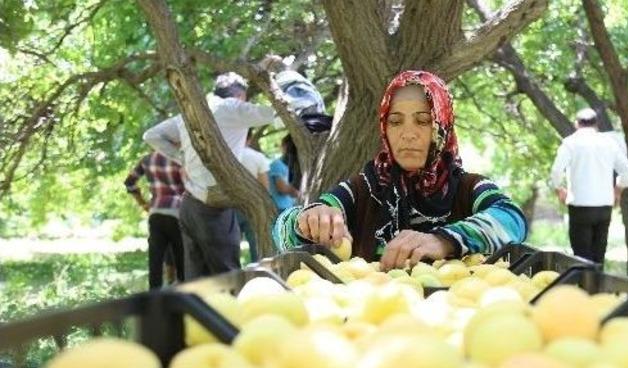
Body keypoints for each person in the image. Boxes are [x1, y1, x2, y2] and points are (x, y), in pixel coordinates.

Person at [273, 70, 527, 270]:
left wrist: (444, 240)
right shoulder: (363, 189)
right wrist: (306, 220)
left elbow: (512, 220)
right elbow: (282, 232)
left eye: (423, 121)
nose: (407, 134)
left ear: (442, 126)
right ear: (385, 129)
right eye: (395, 122)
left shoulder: (467, 188)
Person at [143, 72, 279, 279]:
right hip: (213, 207)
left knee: (197, 277)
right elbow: (277, 114)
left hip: (189, 204)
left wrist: (182, 158)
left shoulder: (191, 113)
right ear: (239, 95)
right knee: (226, 276)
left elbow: (151, 136)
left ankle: (198, 311)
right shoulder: (233, 107)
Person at [550, 107, 628, 264]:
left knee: (582, 258)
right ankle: (597, 287)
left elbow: (556, 171)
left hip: (580, 206)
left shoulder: (570, 143)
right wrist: (618, 191)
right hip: (604, 206)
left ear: (577, 124)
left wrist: (559, 189)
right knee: (598, 257)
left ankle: (584, 288)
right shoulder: (609, 143)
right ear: (596, 125)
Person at [124, 151, 186, 289]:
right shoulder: (181, 157)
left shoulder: (147, 159)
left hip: (156, 212)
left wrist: (143, 203)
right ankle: (183, 296)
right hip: (178, 213)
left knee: (155, 260)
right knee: (181, 259)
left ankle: (154, 299)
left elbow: (129, 182)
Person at [236, 137, 271, 264]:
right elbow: (265, 186)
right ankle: (260, 274)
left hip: (231, 206)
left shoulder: (229, 155)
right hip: (254, 206)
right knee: (256, 246)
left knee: (233, 247)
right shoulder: (257, 157)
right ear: (250, 139)